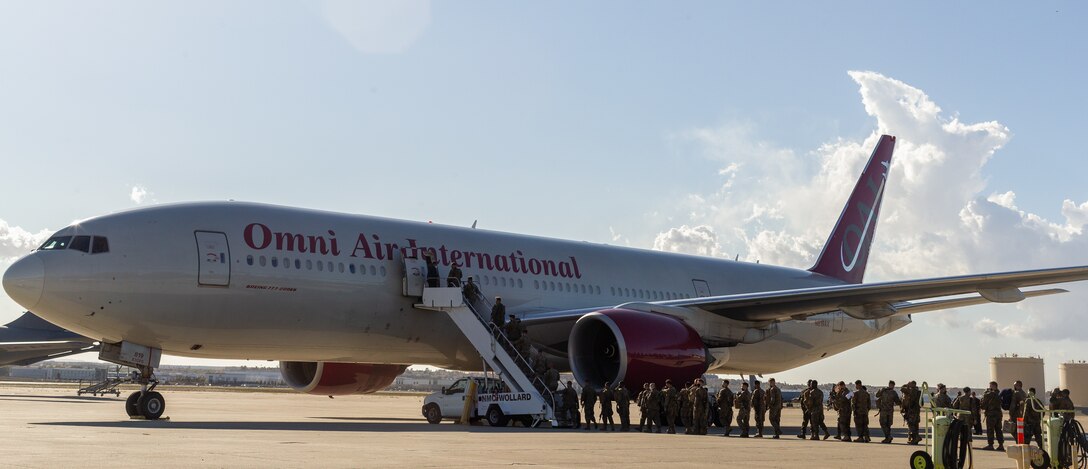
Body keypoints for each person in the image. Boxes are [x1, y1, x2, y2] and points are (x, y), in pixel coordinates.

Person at [980, 381, 1005, 451]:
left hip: (991, 414)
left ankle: (990, 444)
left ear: (993, 386)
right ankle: (1001, 445)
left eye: (990, 386)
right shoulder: (999, 393)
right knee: (998, 430)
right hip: (999, 414)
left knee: (990, 430)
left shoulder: (989, 394)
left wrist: (985, 394)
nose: (989, 387)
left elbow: (983, 405)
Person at [952, 387, 975, 463]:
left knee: (959, 429)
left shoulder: (959, 398)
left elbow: (954, 405)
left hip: (960, 415)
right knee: (968, 429)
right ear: (968, 391)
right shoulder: (971, 399)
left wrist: (955, 413)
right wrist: (974, 418)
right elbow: (973, 409)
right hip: (968, 415)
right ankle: (968, 442)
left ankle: (960, 441)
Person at [900, 380, 922, 445]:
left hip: (911, 411)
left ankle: (916, 437)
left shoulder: (912, 391)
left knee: (911, 425)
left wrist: (907, 385)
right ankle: (914, 439)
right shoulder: (918, 392)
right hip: (916, 411)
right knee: (915, 425)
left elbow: (901, 389)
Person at [1009, 380, 1027, 445]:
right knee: (1020, 431)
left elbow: (1012, 406)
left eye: (1015, 385)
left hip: (1016, 415)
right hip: (1022, 415)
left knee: (1013, 430)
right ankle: (1020, 442)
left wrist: (1010, 415)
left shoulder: (1016, 393)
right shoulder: (1024, 393)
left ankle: (1019, 442)